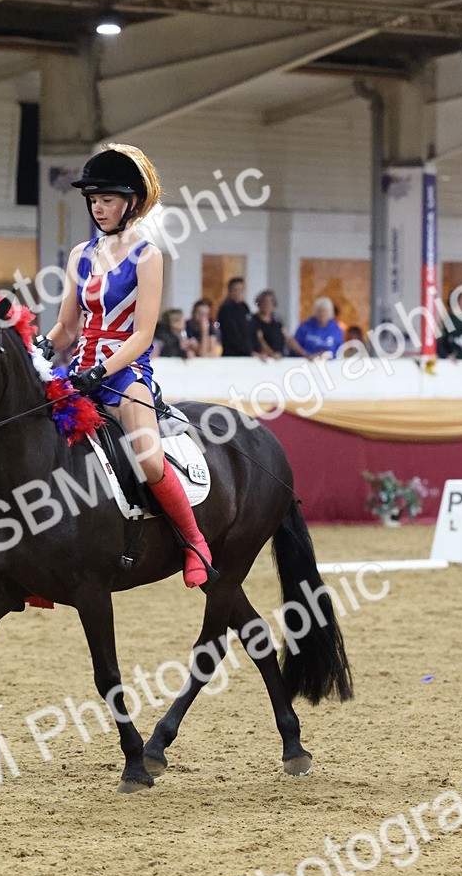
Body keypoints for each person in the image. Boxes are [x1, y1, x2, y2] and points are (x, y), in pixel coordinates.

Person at [42, 143, 213, 588]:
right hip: (78, 372)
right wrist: (42, 345)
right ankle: (38, 563)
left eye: (108, 200)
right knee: (37, 448)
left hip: (124, 375)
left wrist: (101, 371)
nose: (98, 208)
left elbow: (141, 335)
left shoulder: (147, 256)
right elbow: (66, 325)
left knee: (149, 460)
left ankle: (194, 540)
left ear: (131, 203)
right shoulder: (80, 254)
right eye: (94, 200)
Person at [216, 277, 259, 357]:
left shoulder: (245, 307)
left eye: (241, 290)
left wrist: (256, 350)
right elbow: (232, 334)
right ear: (229, 291)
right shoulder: (226, 309)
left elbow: (251, 331)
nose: (239, 293)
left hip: (249, 354)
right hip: (233, 355)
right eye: (236, 290)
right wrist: (248, 351)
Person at [252, 290, 288, 358]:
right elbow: (260, 340)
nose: (267, 304)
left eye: (270, 302)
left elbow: (287, 337)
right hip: (264, 357)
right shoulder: (253, 320)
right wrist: (272, 354)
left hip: (278, 357)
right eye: (264, 302)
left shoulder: (277, 320)